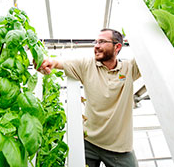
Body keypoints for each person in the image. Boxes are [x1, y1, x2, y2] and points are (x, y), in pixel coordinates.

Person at [37, 28, 141, 167]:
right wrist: (47, 63)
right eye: (96, 42)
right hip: (89, 143)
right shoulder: (87, 65)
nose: (96, 46)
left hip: (119, 148)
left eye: (102, 42)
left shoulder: (129, 68)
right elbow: (57, 63)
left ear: (117, 47)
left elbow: (150, 56)